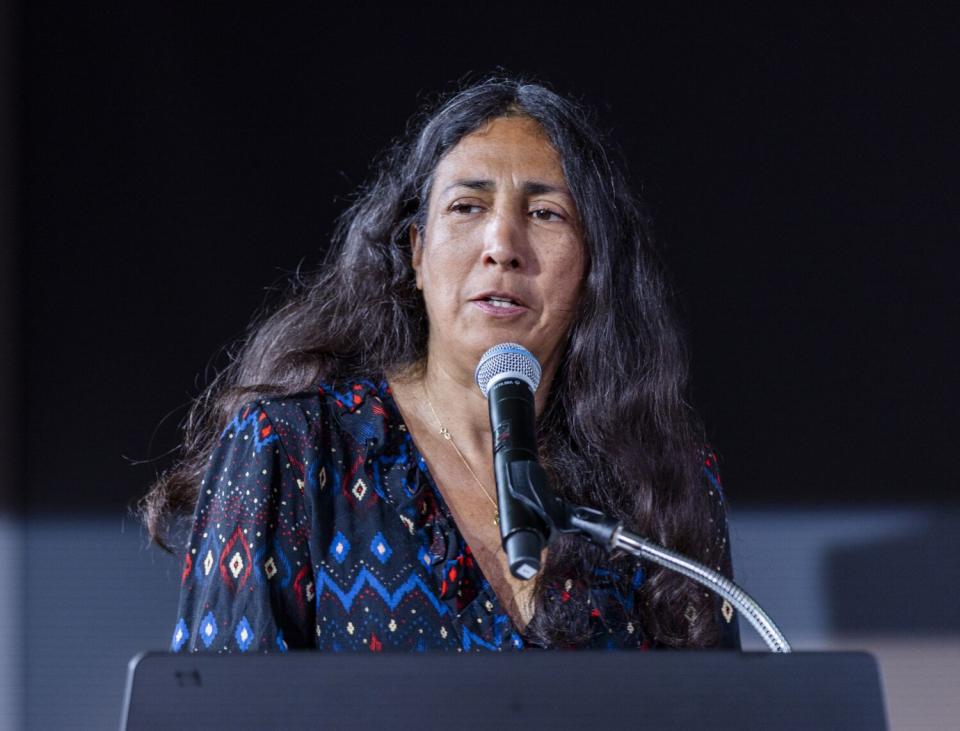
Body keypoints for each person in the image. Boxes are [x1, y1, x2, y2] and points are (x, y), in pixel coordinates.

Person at [141, 75, 741, 653]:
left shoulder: (662, 484)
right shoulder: (293, 449)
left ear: (592, 269)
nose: (502, 246)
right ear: (417, 254)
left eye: (545, 214)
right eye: (466, 207)